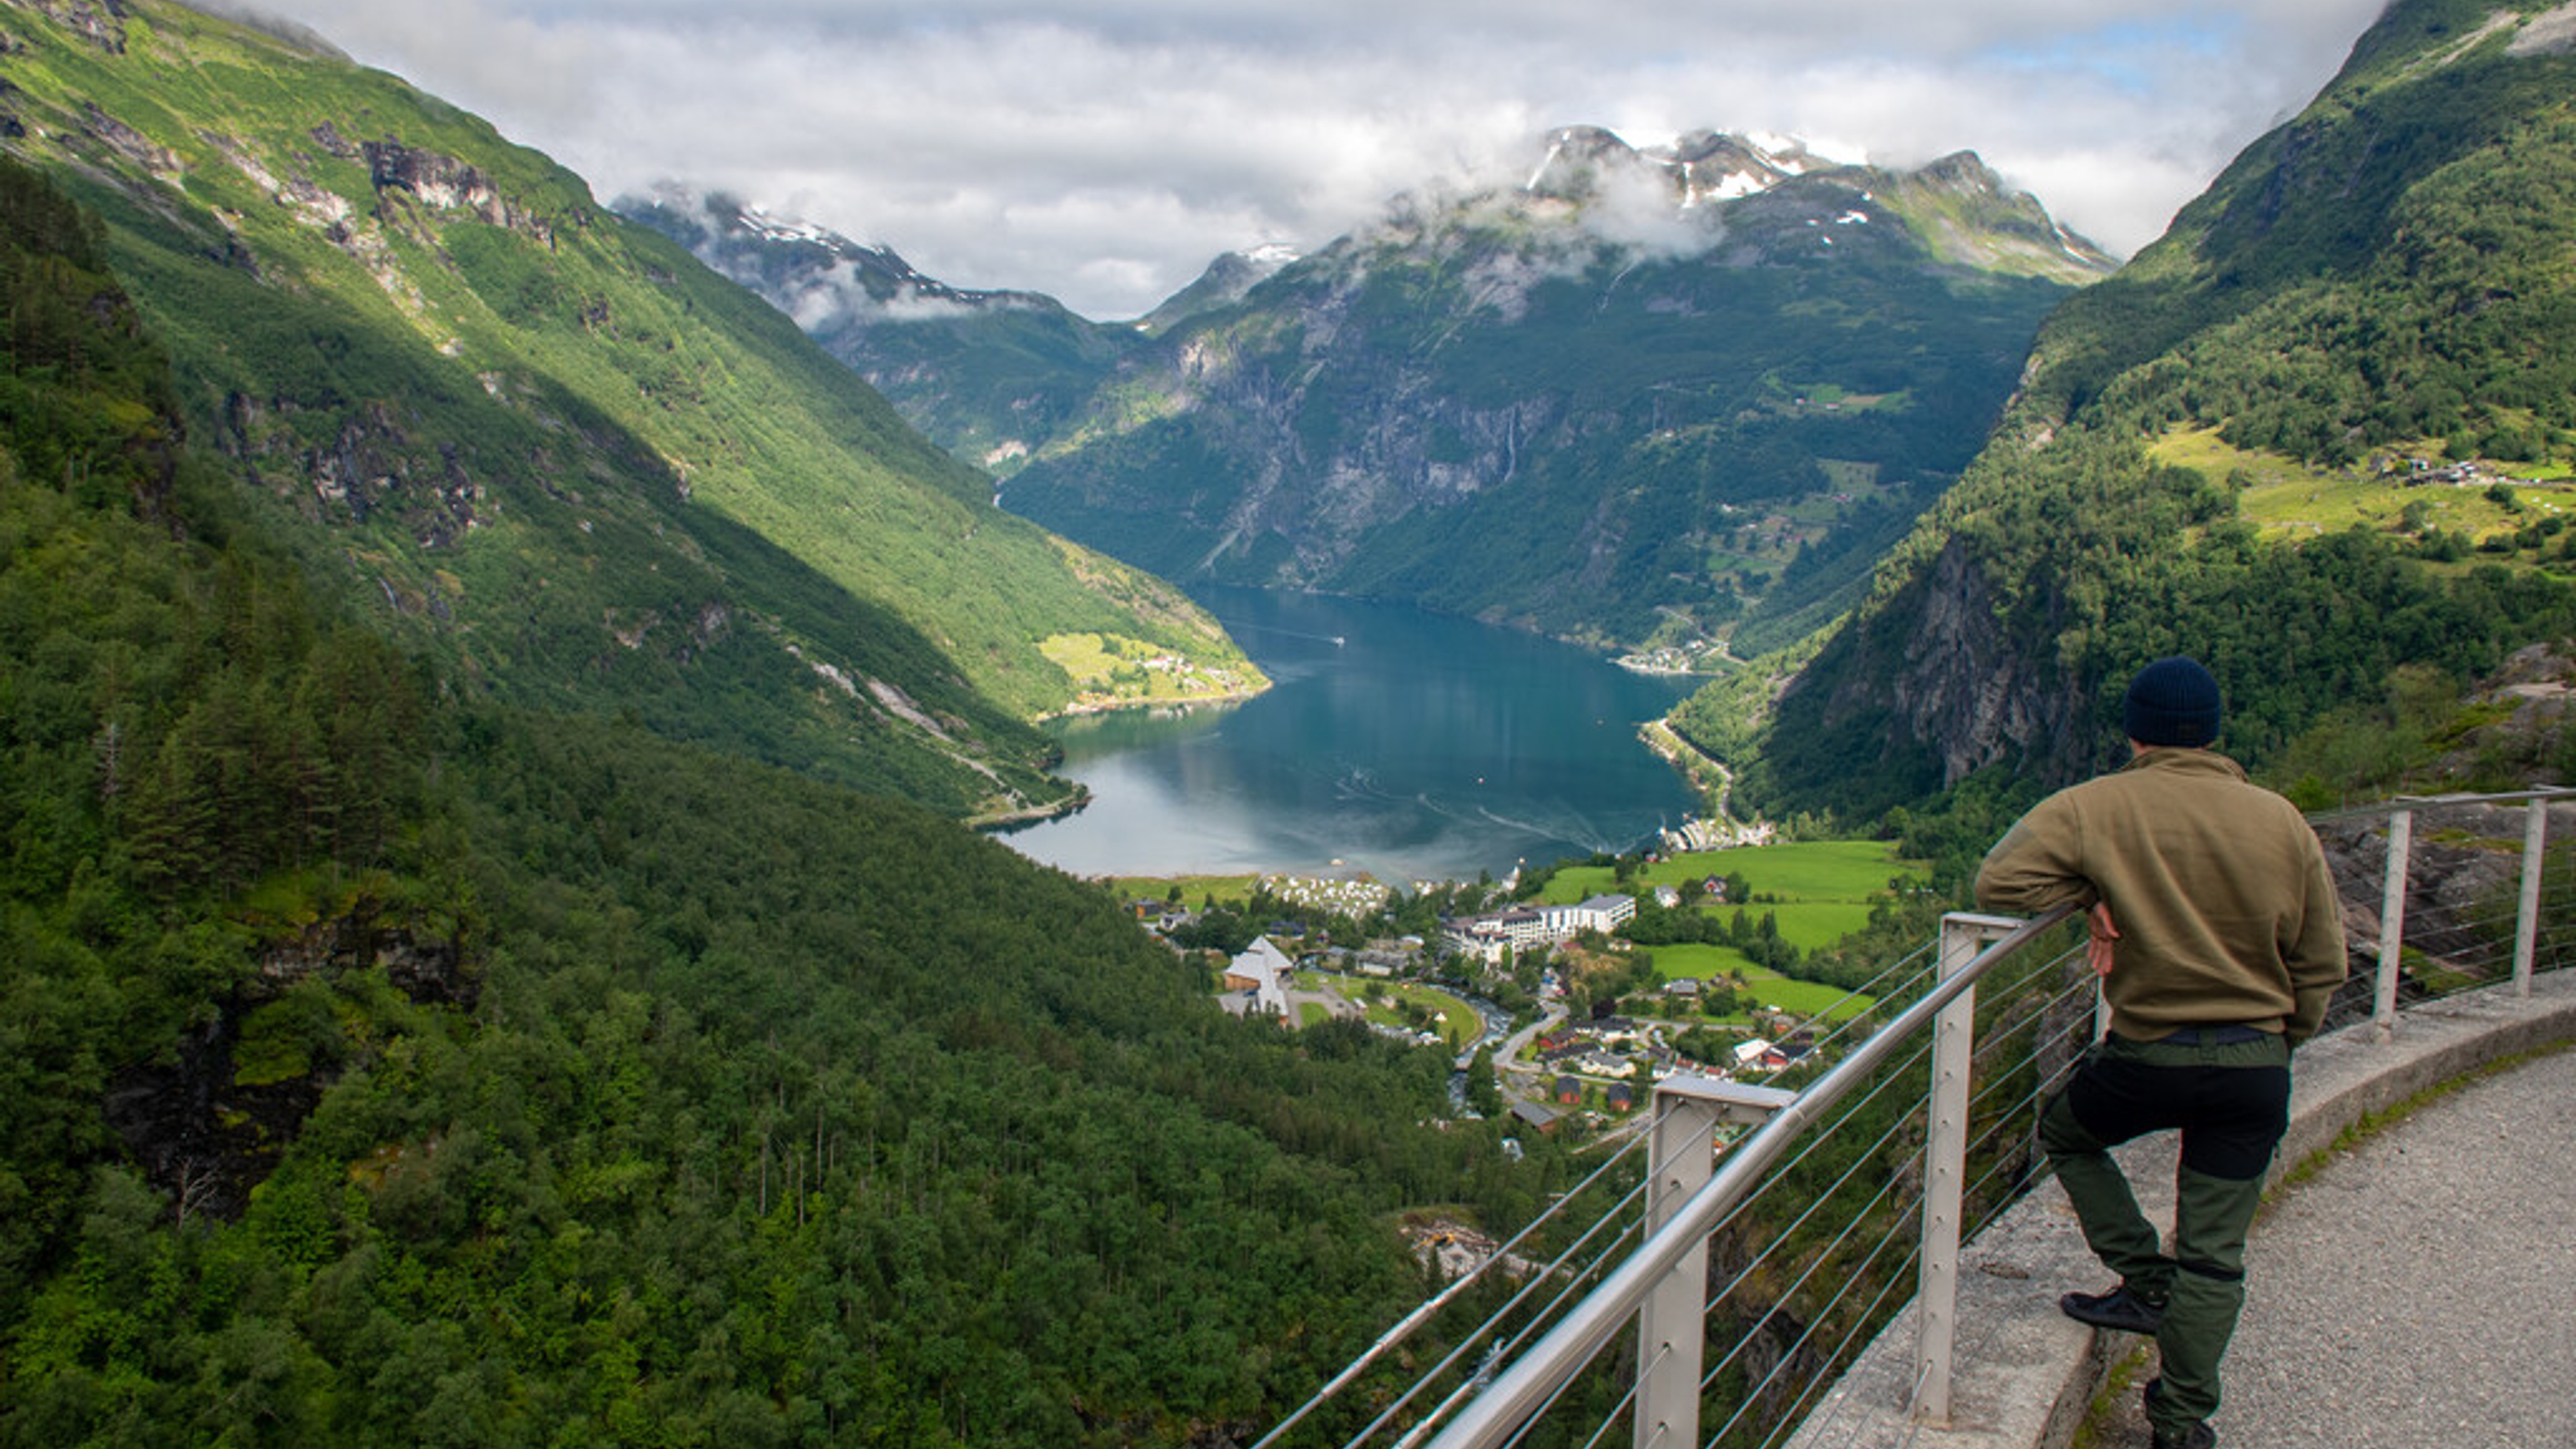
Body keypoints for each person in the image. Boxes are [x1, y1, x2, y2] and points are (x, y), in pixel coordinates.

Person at [1975, 656, 2347, 1449]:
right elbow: (2322, 963)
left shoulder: (2095, 807)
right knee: (2217, 1258)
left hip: (2148, 1058)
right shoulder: (2282, 820)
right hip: (2255, 1064)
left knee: (2069, 1133)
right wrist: (2285, 1040)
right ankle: (2180, 1424)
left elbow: (1999, 883)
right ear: (2215, 731)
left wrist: (2093, 894)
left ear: (2136, 732)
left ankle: (2145, 1280)